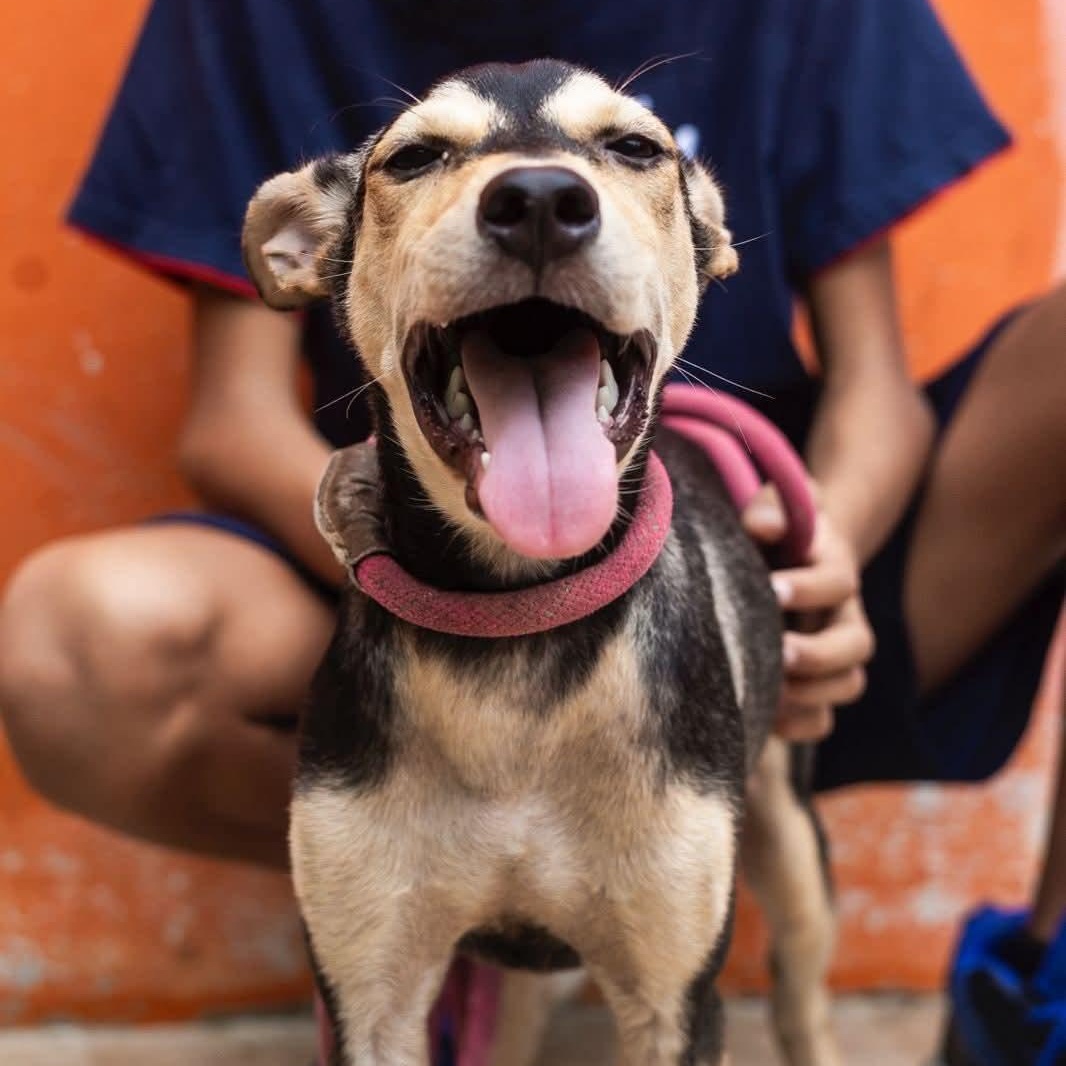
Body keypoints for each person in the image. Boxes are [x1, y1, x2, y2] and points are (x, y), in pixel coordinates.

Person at [0, 0, 1061, 1060]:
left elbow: (876, 388)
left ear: (704, 236)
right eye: (420, 159)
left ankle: (1040, 980)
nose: (540, 190)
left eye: (630, 149)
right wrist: (405, 556)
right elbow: (232, 420)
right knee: (67, 639)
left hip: (766, 583)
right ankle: (451, 890)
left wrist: (812, 560)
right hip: (389, 590)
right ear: (307, 250)